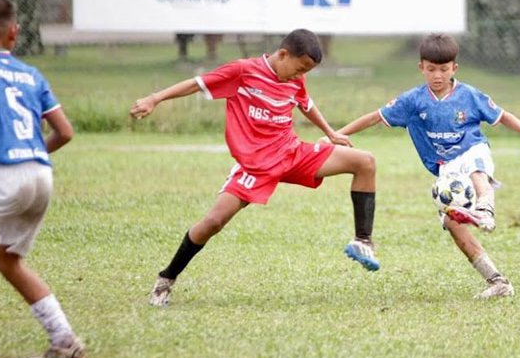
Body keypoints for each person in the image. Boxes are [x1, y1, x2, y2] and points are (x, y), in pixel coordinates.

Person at [130, 28, 379, 307]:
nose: (300, 76)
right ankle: (166, 280)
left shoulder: (296, 77)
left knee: (365, 162)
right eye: (299, 69)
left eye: (304, 72)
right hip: (255, 165)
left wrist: (330, 132)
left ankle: (363, 241)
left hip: (292, 153)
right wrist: (155, 98)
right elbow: (196, 84)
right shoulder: (243, 72)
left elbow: (305, 103)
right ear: (283, 54)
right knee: (212, 223)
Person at [334, 33, 520, 299]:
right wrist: (338, 133)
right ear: (421, 67)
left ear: (454, 68)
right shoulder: (413, 101)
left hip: (472, 148)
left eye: (444, 69)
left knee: (477, 169)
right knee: (452, 223)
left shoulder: (469, 96)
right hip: (446, 170)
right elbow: (375, 117)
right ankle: (497, 280)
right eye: (431, 69)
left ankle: (485, 210)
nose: (437, 75)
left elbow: (501, 115)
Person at [0, 0, 85, 358]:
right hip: (40, 173)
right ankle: (64, 339)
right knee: (9, 261)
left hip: (5, 174)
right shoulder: (31, 74)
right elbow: (64, 132)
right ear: (15, 33)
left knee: (9, 260)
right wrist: (32, 154)